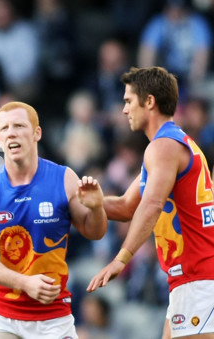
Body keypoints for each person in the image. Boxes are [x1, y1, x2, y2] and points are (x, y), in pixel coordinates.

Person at [87, 66, 214, 339]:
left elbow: (152, 205)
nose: (124, 110)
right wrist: (83, 203)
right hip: (190, 279)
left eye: (128, 101)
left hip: (199, 278)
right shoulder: (168, 146)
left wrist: (121, 259)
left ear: (149, 102)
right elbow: (125, 206)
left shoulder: (163, 147)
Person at [0, 101, 108, 339]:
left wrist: (97, 208)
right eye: (4, 128)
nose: (11, 132)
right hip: (0, 313)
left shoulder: (64, 178)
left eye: (19, 125)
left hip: (53, 314)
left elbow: (94, 232)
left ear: (37, 133)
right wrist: (24, 283)